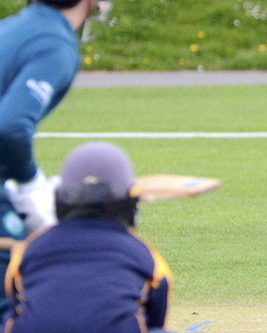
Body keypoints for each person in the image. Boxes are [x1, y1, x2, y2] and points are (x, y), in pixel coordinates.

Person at [0, 0, 112, 315]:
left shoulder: (12, 28)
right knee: (13, 302)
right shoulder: (57, 45)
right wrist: (29, 184)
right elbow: (10, 126)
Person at [3, 141, 173, 332]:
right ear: (129, 202)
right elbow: (156, 318)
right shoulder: (144, 254)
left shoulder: (29, 249)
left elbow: (14, 305)